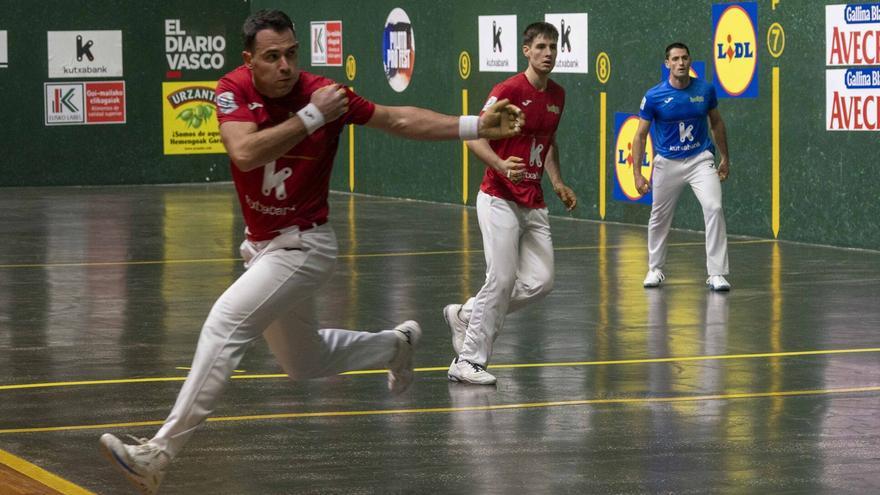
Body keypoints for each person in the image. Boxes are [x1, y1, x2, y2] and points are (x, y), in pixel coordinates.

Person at [99, 9, 523, 494]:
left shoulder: (327, 94)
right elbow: (244, 152)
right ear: (249, 60)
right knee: (304, 361)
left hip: (306, 245)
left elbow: (398, 118)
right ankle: (395, 345)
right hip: (261, 247)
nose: (284, 66)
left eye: (291, 54)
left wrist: (477, 125)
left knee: (224, 322)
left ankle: (158, 453)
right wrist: (312, 115)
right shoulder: (233, 90)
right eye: (272, 57)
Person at [443, 22, 577, 386]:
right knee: (501, 278)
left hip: (534, 200)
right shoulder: (508, 90)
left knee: (542, 281)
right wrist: (501, 164)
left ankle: (467, 314)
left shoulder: (558, 95)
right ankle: (467, 360)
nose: (548, 53)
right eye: (541, 47)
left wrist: (558, 182)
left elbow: (547, 141)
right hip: (498, 196)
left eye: (553, 47)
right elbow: (473, 137)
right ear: (526, 51)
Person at [632, 42, 731, 291]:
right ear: (667, 64)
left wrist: (724, 157)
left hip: (700, 159)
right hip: (667, 163)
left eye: (685, 58)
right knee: (659, 216)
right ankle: (655, 269)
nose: (680, 63)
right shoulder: (654, 96)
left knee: (714, 207)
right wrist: (637, 173)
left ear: (690, 61)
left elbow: (717, 123)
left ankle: (716, 273)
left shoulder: (705, 90)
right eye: (675, 59)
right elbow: (640, 135)